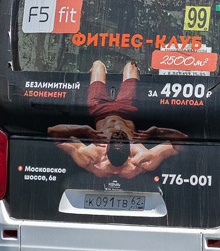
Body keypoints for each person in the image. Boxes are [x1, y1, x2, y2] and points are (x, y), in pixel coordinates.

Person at [49, 60, 186, 180]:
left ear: (107, 149)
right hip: (127, 110)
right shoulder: (141, 159)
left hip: (99, 110)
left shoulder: (92, 157)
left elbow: (53, 132)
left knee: (98, 65)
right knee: (131, 66)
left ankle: (98, 71)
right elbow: (181, 140)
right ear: (129, 151)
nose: (117, 133)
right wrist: (156, 131)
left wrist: (84, 129)